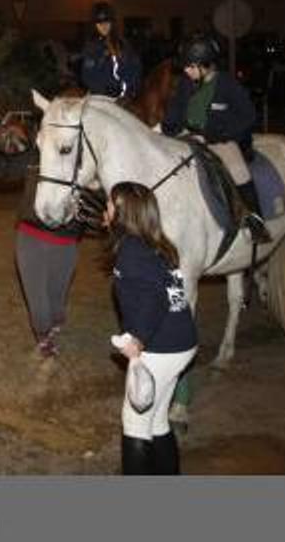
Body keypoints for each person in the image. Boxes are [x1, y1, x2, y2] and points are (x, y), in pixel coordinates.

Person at [105, 181, 198, 475]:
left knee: (134, 425)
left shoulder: (131, 250)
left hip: (161, 347)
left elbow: (154, 298)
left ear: (121, 211)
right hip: (181, 342)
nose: (104, 208)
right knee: (157, 421)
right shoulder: (154, 244)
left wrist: (138, 339)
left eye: (109, 203)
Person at [0, 136, 85, 359]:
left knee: (57, 298)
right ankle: (43, 335)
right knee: (38, 298)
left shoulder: (82, 160)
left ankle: (53, 321)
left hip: (67, 240)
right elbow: (6, 169)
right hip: (31, 236)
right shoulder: (36, 156)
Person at [162, 33, 268, 243]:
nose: (186, 71)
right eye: (186, 66)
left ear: (206, 66)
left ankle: (256, 219)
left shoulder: (228, 85)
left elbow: (248, 116)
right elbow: (176, 109)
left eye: (190, 67)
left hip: (220, 139)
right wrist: (168, 125)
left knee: (237, 167)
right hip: (187, 135)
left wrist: (219, 134)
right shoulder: (186, 83)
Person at [79, 2, 142, 99]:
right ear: (95, 25)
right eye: (99, 23)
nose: (103, 26)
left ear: (112, 22)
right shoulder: (92, 47)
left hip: (126, 98)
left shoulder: (123, 45)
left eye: (106, 22)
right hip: (102, 98)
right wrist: (105, 90)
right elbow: (88, 76)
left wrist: (128, 87)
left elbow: (135, 67)